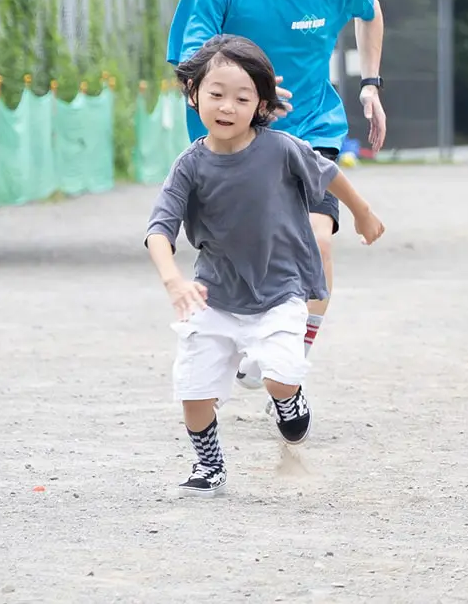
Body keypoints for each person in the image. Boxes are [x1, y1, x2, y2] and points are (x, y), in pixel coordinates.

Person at [166, 0, 387, 388]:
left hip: (311, 128)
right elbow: (189, 67)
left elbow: (370, 9)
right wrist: (246, 95)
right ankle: (237, 345)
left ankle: (290, 359)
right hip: (233, 143)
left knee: (318, 241)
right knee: (242, 255)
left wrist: (371, 84)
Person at [145, 35, 385, 497]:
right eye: (216, 94)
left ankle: (289, 400)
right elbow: (160, 227)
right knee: (193, 393)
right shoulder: (189, 165)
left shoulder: (281, 148)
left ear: (261, 104)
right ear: (193, 93)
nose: (227, 107)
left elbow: (328, 174)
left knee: (279, 375)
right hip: (215, 295)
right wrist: (173, 279)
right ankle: (209, 465)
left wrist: (363, 211)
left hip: (280, 292)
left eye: (242, 97)